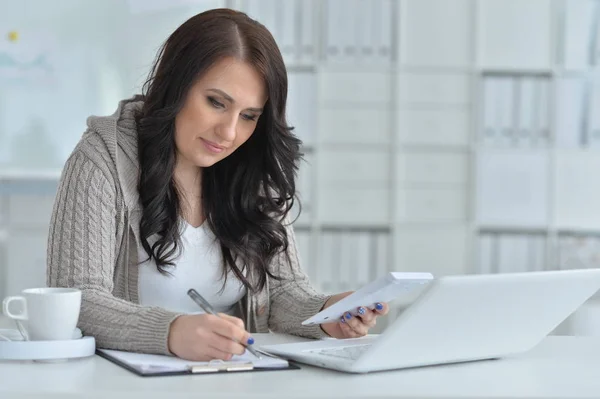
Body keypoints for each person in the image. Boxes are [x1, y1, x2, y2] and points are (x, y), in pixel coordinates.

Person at [46, 8, 388, 362]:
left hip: (225, 380)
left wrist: (328, 313)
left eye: (249, 116)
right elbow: (75, 300)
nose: (228, 133)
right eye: (216, 102)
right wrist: (171, 332)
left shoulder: (251, 167)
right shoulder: (103, 158)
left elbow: (281, 292)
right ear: (175, 86)